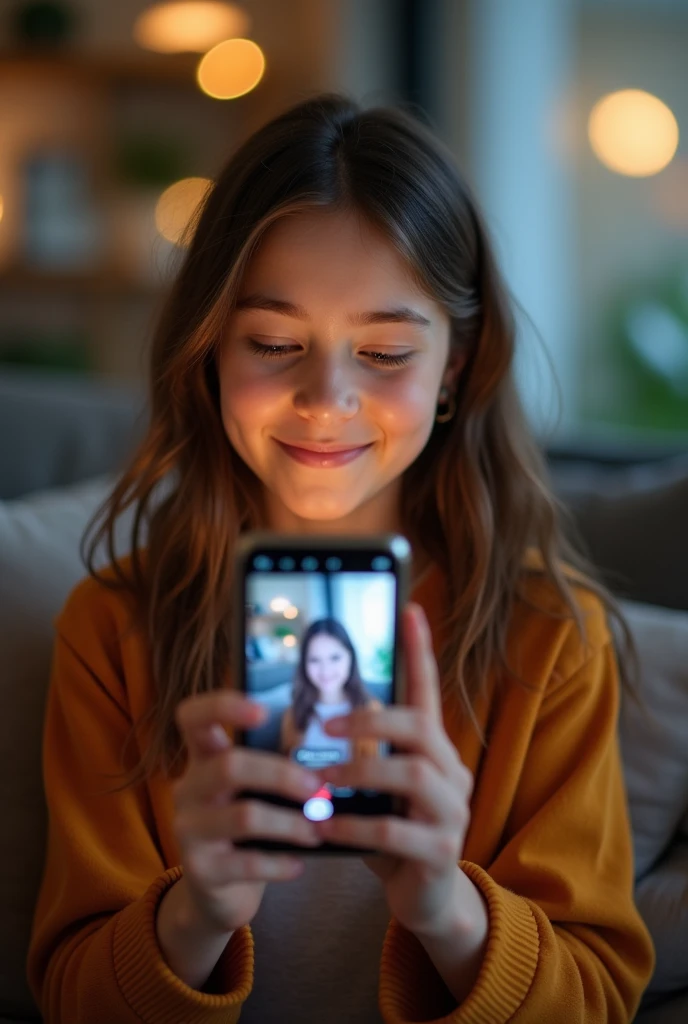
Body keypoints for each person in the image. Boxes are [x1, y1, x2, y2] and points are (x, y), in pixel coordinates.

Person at [26, 94, 655, 1023]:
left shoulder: (550, 643)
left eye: (386, 350)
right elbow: (71, 996)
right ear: (209, 351)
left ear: (454, 368)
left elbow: (601, 997)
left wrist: (447, 906)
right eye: (275, 343)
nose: (326, 398)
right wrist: (193, 913)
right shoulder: (114, 629)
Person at [279, 617, 383, 764]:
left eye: (335, 658)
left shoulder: (372, 711)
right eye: (315, 660)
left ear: (351, 658)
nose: (325, 670)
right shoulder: (292, 715)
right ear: (304, 664)